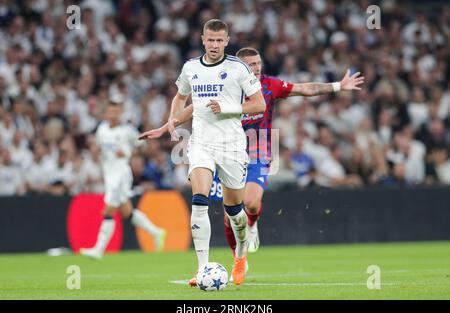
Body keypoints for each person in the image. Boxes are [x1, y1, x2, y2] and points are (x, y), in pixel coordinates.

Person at [140, 47, 364, 265]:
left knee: (252, 204)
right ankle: (239, 257)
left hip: (258, 150)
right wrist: (168, 125)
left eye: (258, 63)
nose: (256, 68)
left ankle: (253, 224)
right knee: (230, 215)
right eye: (251, 65)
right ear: (240, 68)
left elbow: (304, 88)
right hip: (224, 149)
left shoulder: (269, 85)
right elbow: (195, 107)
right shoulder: (227, 83)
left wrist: (338, 86)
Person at [152, 19, 265, 286]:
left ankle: (240, 254)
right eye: (210, 39)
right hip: (201, 142)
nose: (214, 45)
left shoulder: (238, 68)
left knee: (234, 209)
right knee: (199, 199)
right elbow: (180, 97)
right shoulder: (191, 68)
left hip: (232, 145)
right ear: (202, 39)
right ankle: (202, 268)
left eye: (219, 40)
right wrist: (172, 122)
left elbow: (258, 104)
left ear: (227, 41)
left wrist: (228, 109)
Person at [80, 96, 166, 260]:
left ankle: (98, 250)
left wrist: (127, 153)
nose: (113, 114)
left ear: (120, 113)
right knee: (127, 213)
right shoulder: (102, 129)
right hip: (108, 173)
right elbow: (98, 147)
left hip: (121, 174)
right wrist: (96, 151)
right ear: (106, 113)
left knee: (108, 210)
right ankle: (156, 232)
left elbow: (143, 147)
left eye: (116, 111)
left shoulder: (127, 131)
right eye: (111, 111)